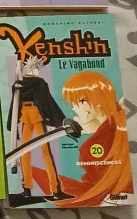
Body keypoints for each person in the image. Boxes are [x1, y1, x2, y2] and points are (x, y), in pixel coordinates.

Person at [55, 72, 133, 207]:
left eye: (79, 102)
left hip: (112, 197)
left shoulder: (91, 147)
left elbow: (97, 187)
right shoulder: (117, 120)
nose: (74, 108)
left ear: (97, 100)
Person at [8, 56, 68, 198]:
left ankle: (29, 189)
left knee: (26, 152)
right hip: (34, 116)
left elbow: (21, 98)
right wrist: (56, 119)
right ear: (34, 68)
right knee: (43, 151)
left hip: (27, 115)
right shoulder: (38, 83)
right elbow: (47, 101)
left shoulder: (21, 84)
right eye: (37, 68)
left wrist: (15, 86)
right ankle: (54, 190)